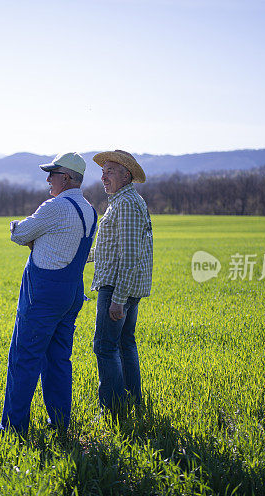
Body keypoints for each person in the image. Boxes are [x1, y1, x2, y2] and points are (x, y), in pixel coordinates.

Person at [0, 152, 97, 436]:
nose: (47, 179)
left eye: (52, 174)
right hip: (71, 294)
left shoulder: (54, 206)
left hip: (42, 294)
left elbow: (19, 233)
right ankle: (60, 423)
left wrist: (23, 231)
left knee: (24, 359)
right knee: (58, 360)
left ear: (66, 178)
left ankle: (13, 429)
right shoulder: (90, 210)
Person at [88, 149, 152, 414]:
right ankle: (132, 403)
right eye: (103, 172)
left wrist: (118, 300)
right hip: (122, 286)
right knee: (125, 344)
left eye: (110, 171)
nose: (104, 177)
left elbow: (129, 255)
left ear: (127, 175)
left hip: (117, 287)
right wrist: (75, 257)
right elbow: (109, 249)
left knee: (105, 346)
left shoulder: (125, 204)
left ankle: (114, 410)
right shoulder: (122, 201)